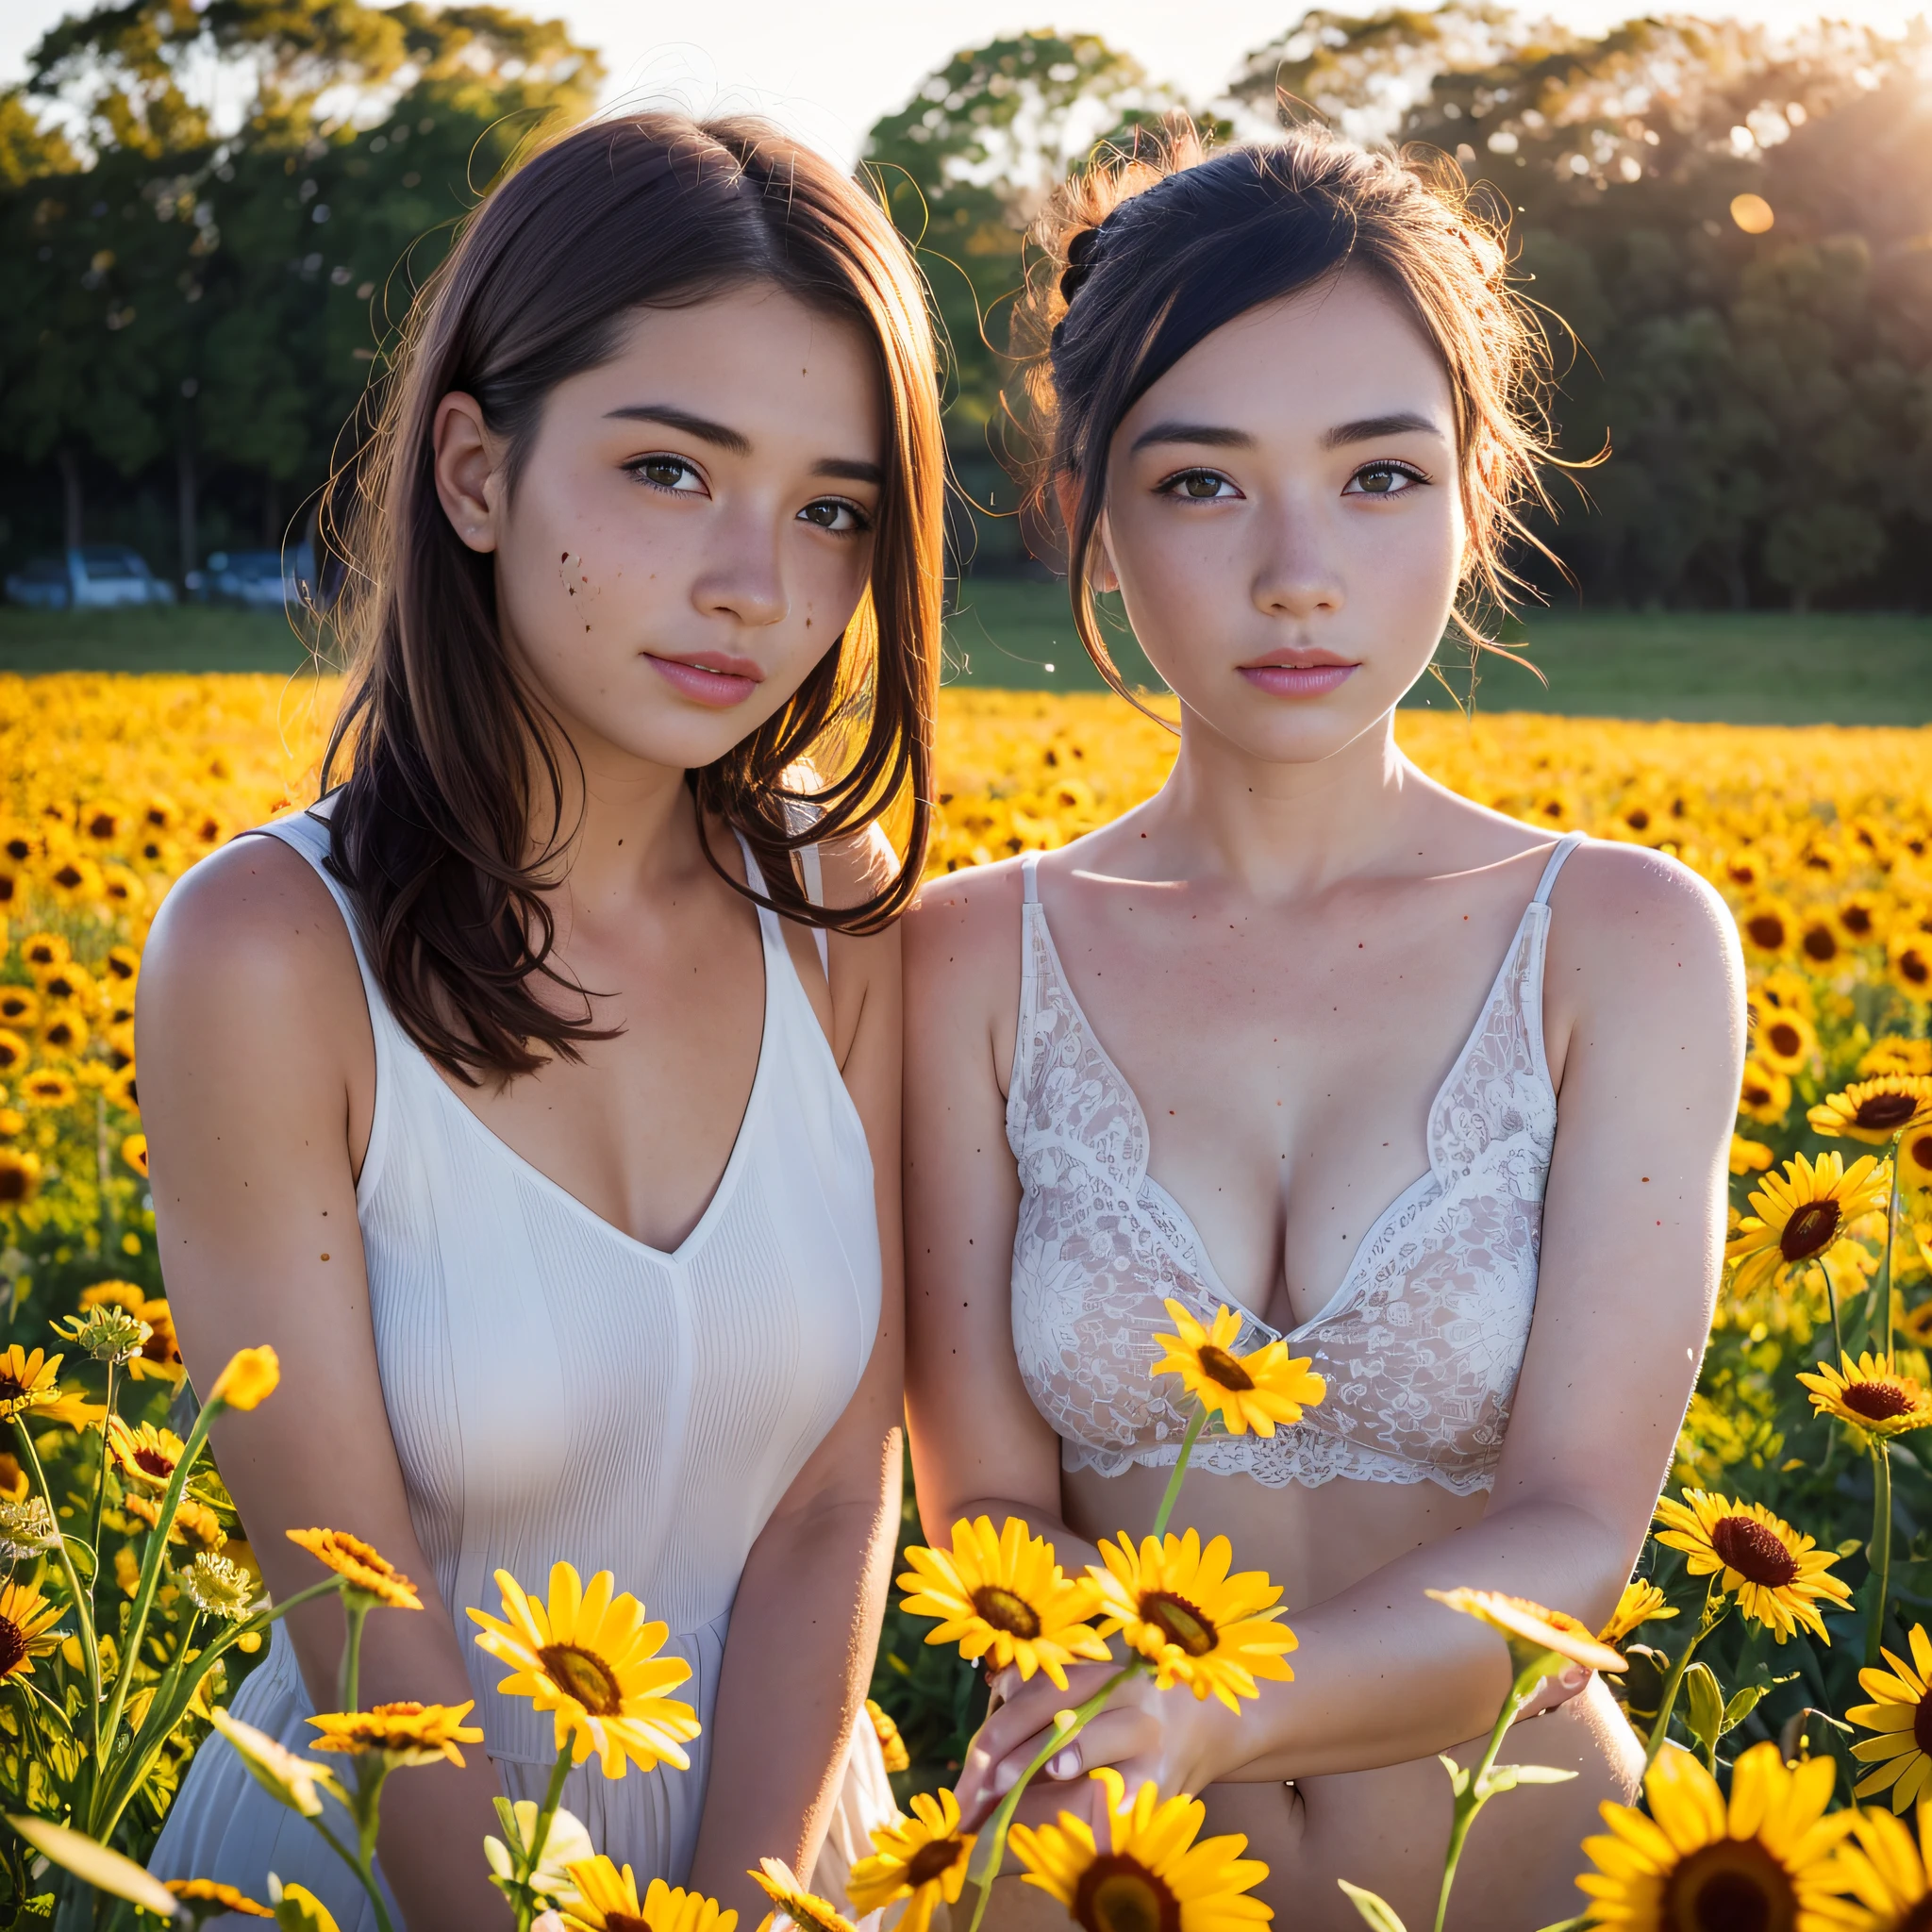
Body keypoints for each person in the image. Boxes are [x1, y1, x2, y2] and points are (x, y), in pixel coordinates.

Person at [903, 123, 1741, 1928]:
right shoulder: (967, 956)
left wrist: (1207, 1709)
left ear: (1474, 494)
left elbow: (1578, 1539)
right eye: (1203, 484)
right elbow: (978, 1497)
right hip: (1083, 1873)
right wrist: (1134, 1712)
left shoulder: (1621, 944)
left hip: (1525, 1880)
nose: (1300, 570)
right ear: (1089, 519)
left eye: (1379, 475)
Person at [141, 110, 943, 1928]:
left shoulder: (837, 906)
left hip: (792, 1861)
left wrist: (743, 1914)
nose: (760, 584)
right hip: (380, 1872)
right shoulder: (266, 954)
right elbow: (346, 1587)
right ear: (475, 472)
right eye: (671, 470)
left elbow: (834, 1506)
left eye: (834, 511)